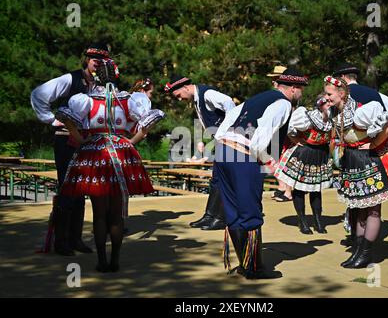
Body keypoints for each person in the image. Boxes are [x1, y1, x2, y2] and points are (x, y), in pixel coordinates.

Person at [56, 59, 164, 272]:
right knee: (116, 214)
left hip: (95, 155)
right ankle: (115, 261)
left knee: (99, 213)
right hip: (121, 154)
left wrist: (82, 140)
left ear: (97, 77)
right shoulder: (129, 99)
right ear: (116, 76)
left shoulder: (86, 100)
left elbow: (66, 118)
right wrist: (130, 142)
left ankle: (101, 261)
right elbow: (149, 121)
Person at [215, 68, 308, 279]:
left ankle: (244, 264)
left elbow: (227, 121)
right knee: (250, 212)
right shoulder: (283, 104)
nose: (301, 94)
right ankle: (254, 268)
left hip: (223, 152)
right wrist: (269, 162)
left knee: (233, 211)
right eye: (301, 90)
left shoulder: (259, 97)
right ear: (293, 89)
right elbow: (260, 139)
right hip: (243, 156)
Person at [324, 75, 388, 268]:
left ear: (342, 93)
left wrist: (373, 144)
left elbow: (387, 126)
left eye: (329, 94)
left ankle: (366, 254)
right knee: (359, 209)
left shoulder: (361, 111)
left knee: (372, 210)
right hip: (353, 161)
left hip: (368, 161)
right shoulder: (337, 111)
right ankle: (358, 252)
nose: (326, 97)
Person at [30, 42, 111, 256]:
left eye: (102, 61)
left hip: (88, 142)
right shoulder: (70, 79)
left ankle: (75, 239)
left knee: (82, 190)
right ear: (87, 59)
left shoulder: (102, 85)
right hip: (66, 140)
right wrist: (51, 120)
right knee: (67, 188)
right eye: (95, 60)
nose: (97, 64)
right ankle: (60, 240)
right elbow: (39, 94)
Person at [332, 63, 388, 248]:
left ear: (343, 80)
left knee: (360, 201)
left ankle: (360, 245)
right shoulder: (375, 94)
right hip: (369, 153)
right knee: (364, 202)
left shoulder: (343, 97)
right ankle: (359, 244)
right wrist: (381, 141)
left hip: (353, 155)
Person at [164, 74, 235, 230]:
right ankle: (210, 216)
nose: (179, 99)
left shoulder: (207, 94)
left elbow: (229, 102)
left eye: (178, 95)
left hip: (230, 142)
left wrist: (228, 131)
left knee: (224, 180)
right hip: (222, 142)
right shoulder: (197, 98)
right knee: (217, 180)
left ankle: (221, 218)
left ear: (185, 87)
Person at [274, 93, 334, 234]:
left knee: (316, 189)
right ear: (320, 103)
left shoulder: (332, 117)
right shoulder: (308, 116)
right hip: (306, 153)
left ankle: (318, 222)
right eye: (328, 102)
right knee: (300, 188)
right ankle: (302, 221)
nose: (330, 104)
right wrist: (295, 140)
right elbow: (289, 130)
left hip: (321, 154)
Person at [266, 65, 294, 202]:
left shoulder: (288, 94)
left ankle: (288, 191)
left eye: (276, 79)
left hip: (286, 132)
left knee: (284, 161)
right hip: (277, 132)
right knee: (274, 160)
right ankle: (282, 187)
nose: (274, 82)